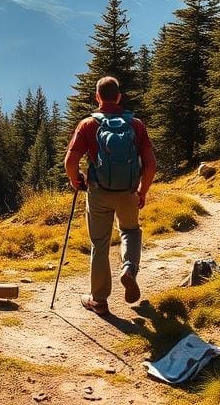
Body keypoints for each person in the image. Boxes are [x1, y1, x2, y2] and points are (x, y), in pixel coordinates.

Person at [64, 76, 157, 314]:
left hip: (98, 193)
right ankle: (128, 269)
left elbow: (70, 161)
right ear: (119, 97)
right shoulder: (136, 125)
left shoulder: (88, 125)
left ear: (97, 97)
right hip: (127, 192)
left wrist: (76, 181)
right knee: (130, 231)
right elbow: (151, 164)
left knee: (100, 243)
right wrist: (142, 191)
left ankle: (99, 300)